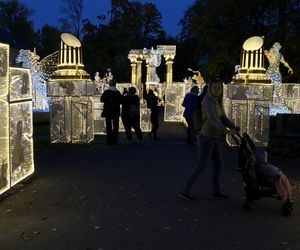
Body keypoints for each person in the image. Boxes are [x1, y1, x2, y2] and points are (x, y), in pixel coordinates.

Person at [180, 80, 238, 200]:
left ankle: (216, 191)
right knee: (201, 165)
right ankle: (185, 190)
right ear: (210, 89)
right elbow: (212, 120)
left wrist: (233, 127)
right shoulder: (207, 101)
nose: (217, 90)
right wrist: (226, 131)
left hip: (214, 137)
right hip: (206, 137)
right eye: (215, 88)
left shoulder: (217, 101)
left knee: (218, 165)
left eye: (219, 88)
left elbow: (223, 117)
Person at [101, 79, 122, 145]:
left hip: (108, 111)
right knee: (116, 126)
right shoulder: (117, 92)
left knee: (108, 126)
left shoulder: (106, 92)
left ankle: (109, 140)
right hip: (115, 111)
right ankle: (115, 140)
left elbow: (102, 99)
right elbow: (120, 101)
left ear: (109, 84)